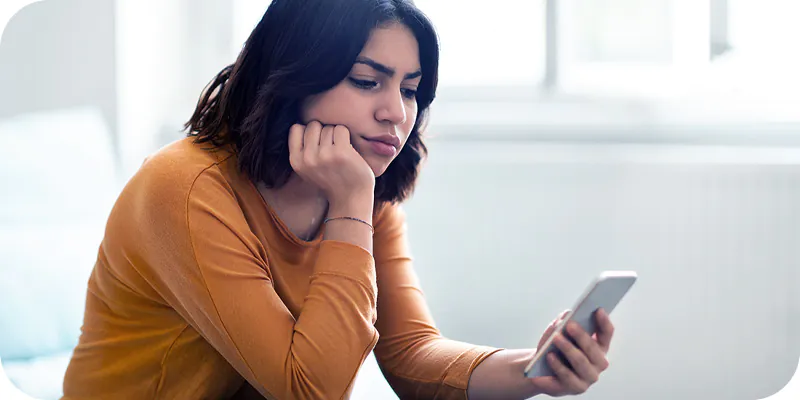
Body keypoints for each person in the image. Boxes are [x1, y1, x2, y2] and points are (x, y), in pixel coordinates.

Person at [61, 0, 616, 399]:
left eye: (410, 88)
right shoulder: (184, 189)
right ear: (294, 78)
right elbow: (310, 392)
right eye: (366, 81)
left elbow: (410, 354)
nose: (397, 113)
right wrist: (352, 203)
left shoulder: (364, 189)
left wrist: (531, 371)